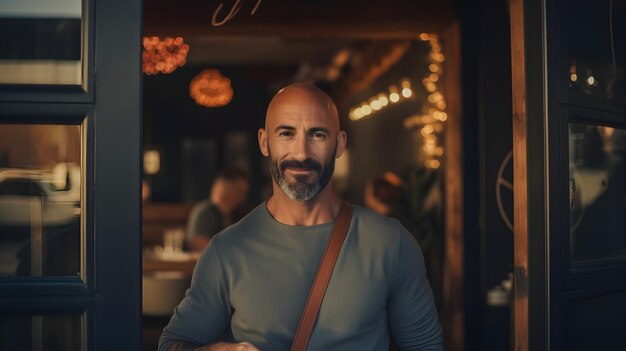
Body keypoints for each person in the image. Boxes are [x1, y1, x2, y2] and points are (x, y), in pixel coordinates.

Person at [159, 83, 443, 351]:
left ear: (339, 144)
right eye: (286, 133)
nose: (301, 152)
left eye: (318, 134)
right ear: (264, 142)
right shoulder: (226, 250)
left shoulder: (390, 243)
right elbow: (173, 344)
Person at [185, 167, 250, 251]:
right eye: (240, 191)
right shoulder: (207, 211)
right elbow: (197, 243)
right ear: (226, 187)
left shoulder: (227, 214)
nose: (242, 197)